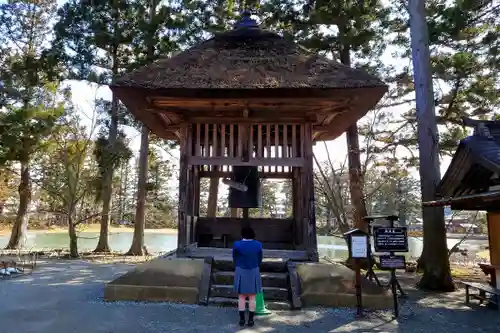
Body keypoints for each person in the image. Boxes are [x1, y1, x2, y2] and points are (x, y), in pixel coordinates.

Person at [232, 226, 263, 327]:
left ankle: (241, 320)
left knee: (241, 297)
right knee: (252, 297)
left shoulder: (237, 244)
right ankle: (250, 320)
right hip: (254, 270)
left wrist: (238, 265)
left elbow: (234, 257)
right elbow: (260, 258)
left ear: (242, 234)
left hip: (241, 270)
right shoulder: (258, 245)